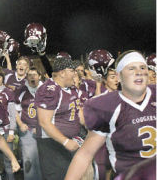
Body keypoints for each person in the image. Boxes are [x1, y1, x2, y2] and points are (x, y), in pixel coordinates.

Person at [65, 50, 156, 179]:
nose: (138, 72)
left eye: (142, 67)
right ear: (119, 76)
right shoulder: (109, 105)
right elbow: (85, 154)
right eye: (131, 68)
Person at [35, 57, 84, 180]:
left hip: (70, 141)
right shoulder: (50, 90)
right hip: (52, 144)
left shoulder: (71, 88)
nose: (75, 73)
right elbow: (44, 122)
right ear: (62, 73)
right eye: (72, 70)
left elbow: (79, 114)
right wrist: (65, 142)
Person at [14, 67, 43, 180]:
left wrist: (40, 126)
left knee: (43, 160)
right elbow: (14, 109)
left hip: (44, 130)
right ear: (26, 77)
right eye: (30, 75)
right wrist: (20, 124)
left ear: (39, 76)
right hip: (28, 130)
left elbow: (51, 110)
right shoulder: (21, 90)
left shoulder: (45, 89)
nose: (32, 77)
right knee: (29, 160)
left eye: (34, 74)